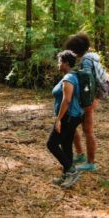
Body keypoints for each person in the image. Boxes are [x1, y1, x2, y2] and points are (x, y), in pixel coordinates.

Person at [64, 33, 109, 172]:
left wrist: (88, 101)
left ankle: (90, 162)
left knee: (88, 130)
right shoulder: (90, 58)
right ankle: (82, 155)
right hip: (95, 95)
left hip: (90, 98)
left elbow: (87, 81)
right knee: (74, 127)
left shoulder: (86, 61)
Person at [47, 50, 84, 188]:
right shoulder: (73, 76)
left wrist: (58, 120)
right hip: (74, 117)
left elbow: (67, 100)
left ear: (66, 63)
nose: (58, 64)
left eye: (59, 61)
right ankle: (66, 175)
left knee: (51, 144)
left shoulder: (69, 78)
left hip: (68, 117)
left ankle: (71, 170)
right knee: (66, 145)